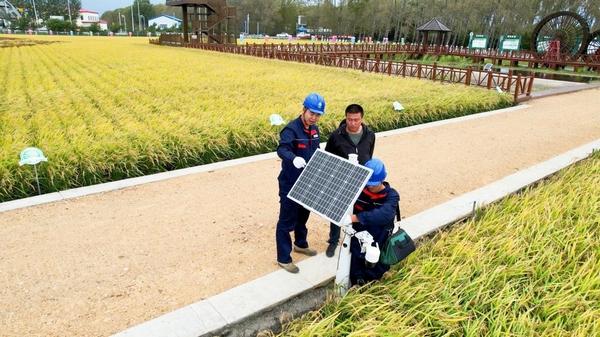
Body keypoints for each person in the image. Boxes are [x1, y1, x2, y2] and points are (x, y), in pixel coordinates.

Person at [275, 93, 326, 273]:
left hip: (308, 181)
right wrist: (293, 157)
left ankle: (300, 244)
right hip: (290, 181)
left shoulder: (315, 130)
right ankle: (283, 258)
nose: (314, 117)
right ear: (304, 109)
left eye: (318, 114)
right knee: (286, 220)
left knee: (303, 215)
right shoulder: (291, 129)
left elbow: (316, 150)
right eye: (312, 113)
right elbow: (282, 149)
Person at [324, 103, 376, 257]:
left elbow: (369, 156)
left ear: (362, 118)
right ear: (345, 118)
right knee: (336, 211)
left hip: (361, 180)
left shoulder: (370, 135)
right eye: (349, 120)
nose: (352, 123)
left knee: (360, 211)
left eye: (356, 120)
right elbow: (327, 158)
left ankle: (356, 241)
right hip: (340, 180)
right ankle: (333, 241)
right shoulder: (336, 136)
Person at [347, 158, 399, 286]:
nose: (369, 186)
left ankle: (372, 283)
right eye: (367, 183)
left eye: (373, 184)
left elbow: (384, 215)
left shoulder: (391, 195)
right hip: (359, 236)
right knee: (356, 258)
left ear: (382, 180)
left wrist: (357, 218)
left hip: (379, 237)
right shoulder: (359, 191)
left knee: (375, 263)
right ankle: (356, 282)